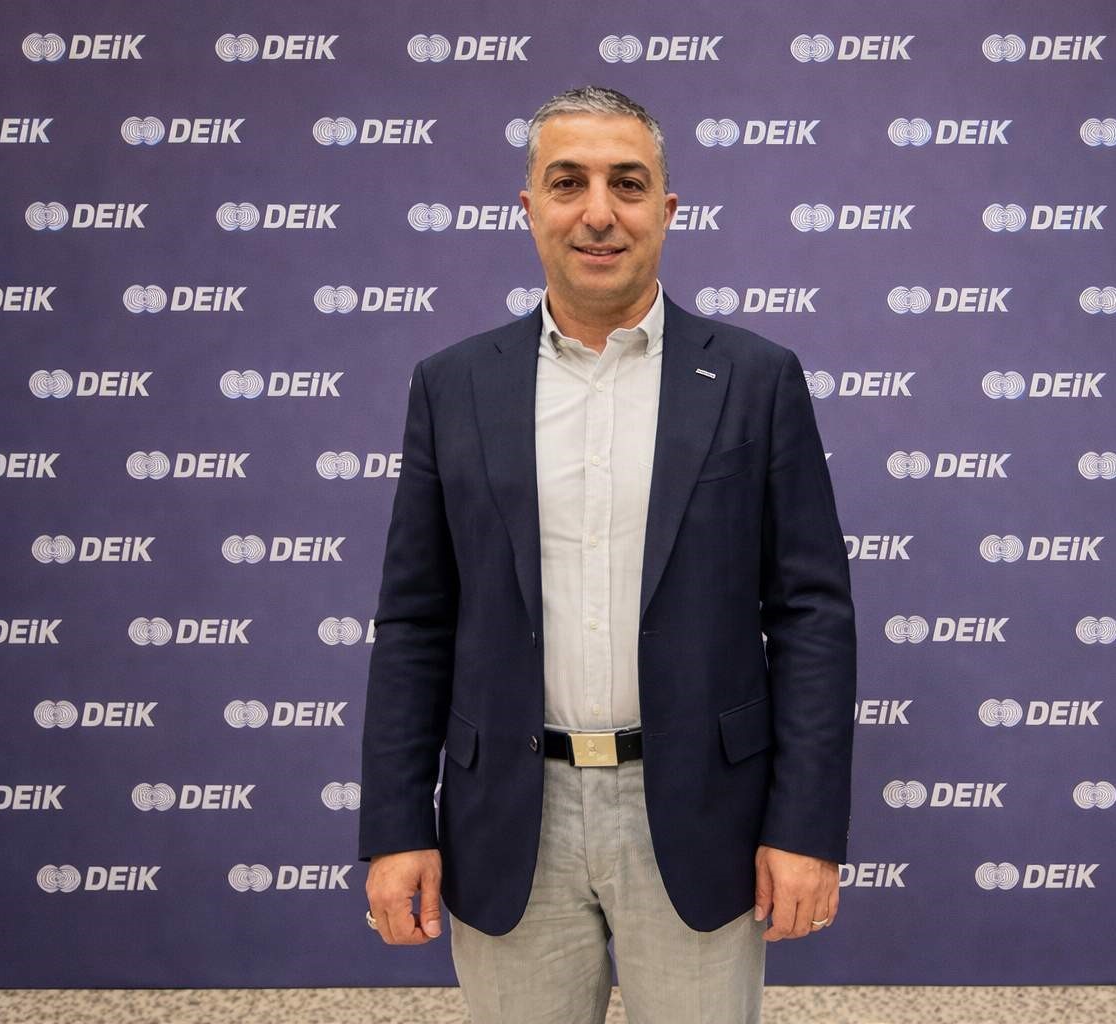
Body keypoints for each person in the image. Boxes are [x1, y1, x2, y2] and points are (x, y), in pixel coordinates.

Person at [358, 85, 857, 1024]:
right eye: (568, 183)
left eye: (627, 184)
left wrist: (804, 827)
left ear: (667, 209)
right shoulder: (452, 386)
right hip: (509, 819)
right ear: (529, 208)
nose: (599, 212)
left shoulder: (755, 380)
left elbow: (812, 619)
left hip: (704, 815)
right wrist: (395, 826)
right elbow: (417, 620)